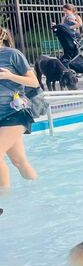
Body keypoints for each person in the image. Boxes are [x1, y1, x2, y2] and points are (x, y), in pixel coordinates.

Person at [0, 27, 39, 191]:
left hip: (16, 113)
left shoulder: (12, 54)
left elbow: (34, 82)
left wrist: (9, 76)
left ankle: (5, 201)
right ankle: (37, 191)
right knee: (19, 161)